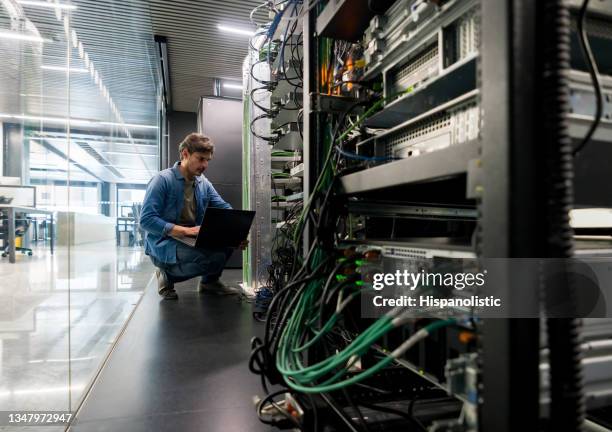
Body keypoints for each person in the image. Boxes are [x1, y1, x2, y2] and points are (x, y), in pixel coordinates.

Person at [140, 133, 246, 300]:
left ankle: (209, 283)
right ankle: (167, 276)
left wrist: (236, 232)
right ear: (185, 154)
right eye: (201, 159)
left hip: (191, 237)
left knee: (226, 245)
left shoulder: (203, 183)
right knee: (209, 260)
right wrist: (185, 231)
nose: (205, 165)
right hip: (164, 241)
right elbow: (146, 220)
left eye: (207, 161)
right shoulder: (162, 180)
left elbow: (224, 208)